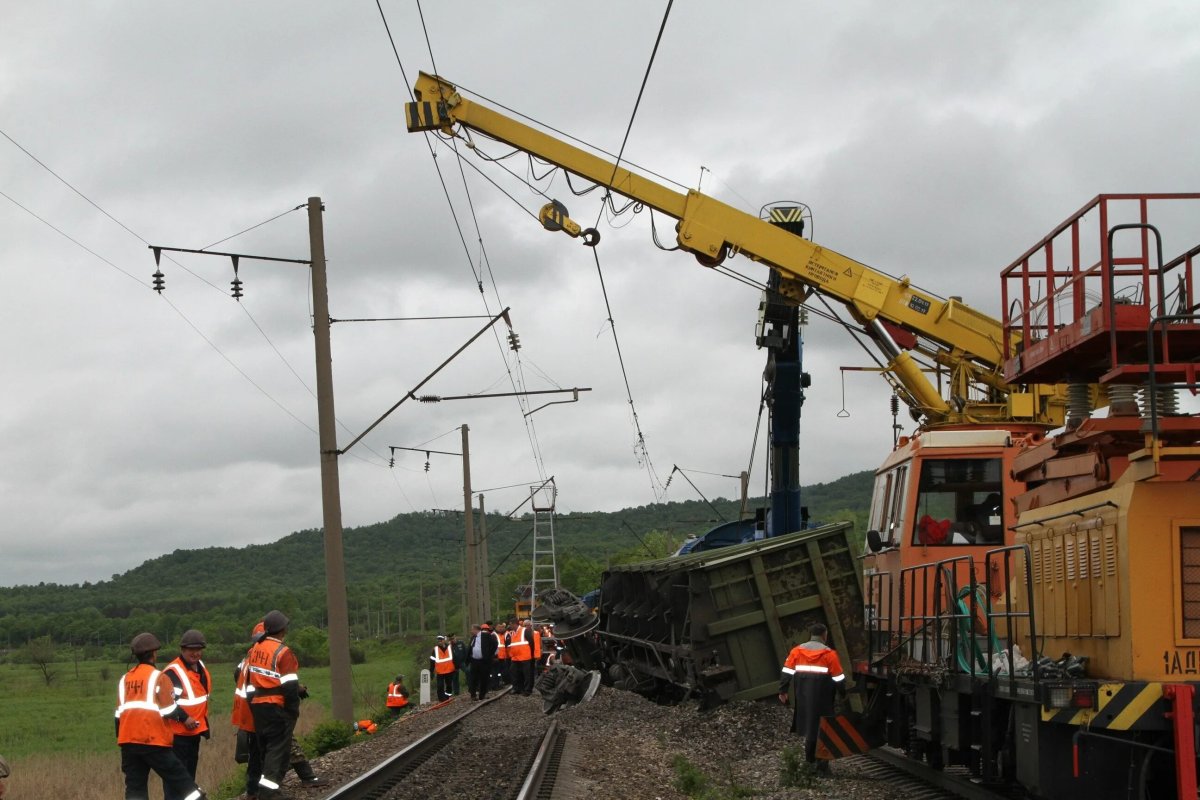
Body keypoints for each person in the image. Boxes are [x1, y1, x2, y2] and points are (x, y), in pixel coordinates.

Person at [115, 632, 205, 800]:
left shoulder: (124, 679)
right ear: (154, 654)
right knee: (183, 783)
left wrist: (123, 742)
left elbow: (118, 715)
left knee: (135, 789)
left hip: (128, 742)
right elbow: (168, 710)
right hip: (153, 741)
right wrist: (184, 718)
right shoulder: (159, 677)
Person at [247, 610, 301, 800]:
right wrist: (293, 710)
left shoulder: (255, 649)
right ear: (283, 629)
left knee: (267, 750)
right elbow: (290, 686)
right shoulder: (283, 652)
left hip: (258, 706)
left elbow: (248, 679)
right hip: (277, 706)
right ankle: (269, 793)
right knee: (277, 752)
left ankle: (268, 790)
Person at [778, 623, 846, 772]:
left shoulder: (797, 651)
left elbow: (786, 672)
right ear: (824, 635)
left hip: (804, 700)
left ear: (811, 635)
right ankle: (822, 767)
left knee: (810, 729)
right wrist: (844, 694)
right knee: (823, 731)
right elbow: (839, 678)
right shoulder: (829, 655)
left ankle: (809, 763)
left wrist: (783, 690)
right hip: (824, 700)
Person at [162, 629, 212, 798]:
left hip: (194, 732)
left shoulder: (200, 666)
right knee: (176, 779)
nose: (195, 653)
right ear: (182, 649)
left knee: (188, 776)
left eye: (198, 649)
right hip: (177, 735)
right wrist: (184, 718)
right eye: (191, 650)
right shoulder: (172, 672)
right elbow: (165, 703)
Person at [467, 622, 498, 700]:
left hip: (483, 661)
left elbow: (495, 644)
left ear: (476, 629)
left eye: (472, 630)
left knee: (484, 678)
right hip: (474, 661)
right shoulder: (473, 637)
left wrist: (489, 654)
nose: (471, 631)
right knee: (473, 678)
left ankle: (482, 695)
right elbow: (470, 648)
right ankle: (473, 695)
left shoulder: (486, 635)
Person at [507, 619, 534, 695]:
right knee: (514, 673)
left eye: (510, 624)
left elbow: (531, 643)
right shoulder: (512, 633)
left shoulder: (524, 630)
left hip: (525, 657)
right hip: (515, 658)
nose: (510, 626)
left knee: (526, 674)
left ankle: (527, 690)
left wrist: (531, 654)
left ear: (514, 624)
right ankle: (516, 688)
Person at [430, 634, 455, 701]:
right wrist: (431, 671)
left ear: (444, 640)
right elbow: (432, 661)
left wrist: (456, 667)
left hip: (449, 670)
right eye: (438, 640)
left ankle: (447, 696)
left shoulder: (450, 647)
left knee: (449, 685)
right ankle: (441, 699)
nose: (439, 641)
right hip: (440, 672)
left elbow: (454, 658)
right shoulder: (435, 649)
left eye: (441, 640)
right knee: (440, 686)